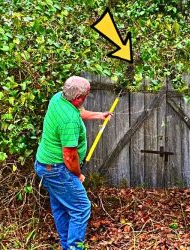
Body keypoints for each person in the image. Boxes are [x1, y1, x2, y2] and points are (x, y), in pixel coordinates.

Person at [35, 76, 112, 250]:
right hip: (58, 169)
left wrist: (99, 115)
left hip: (45, 166)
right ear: (78, 98)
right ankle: (74, 247)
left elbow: (78, 112)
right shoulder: (68, 120)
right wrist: (78, 175)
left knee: (61, 207)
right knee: (81, 207)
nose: (86, 98)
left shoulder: (58, 98)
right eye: (85, 96)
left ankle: (66, 246)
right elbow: (69, 156)